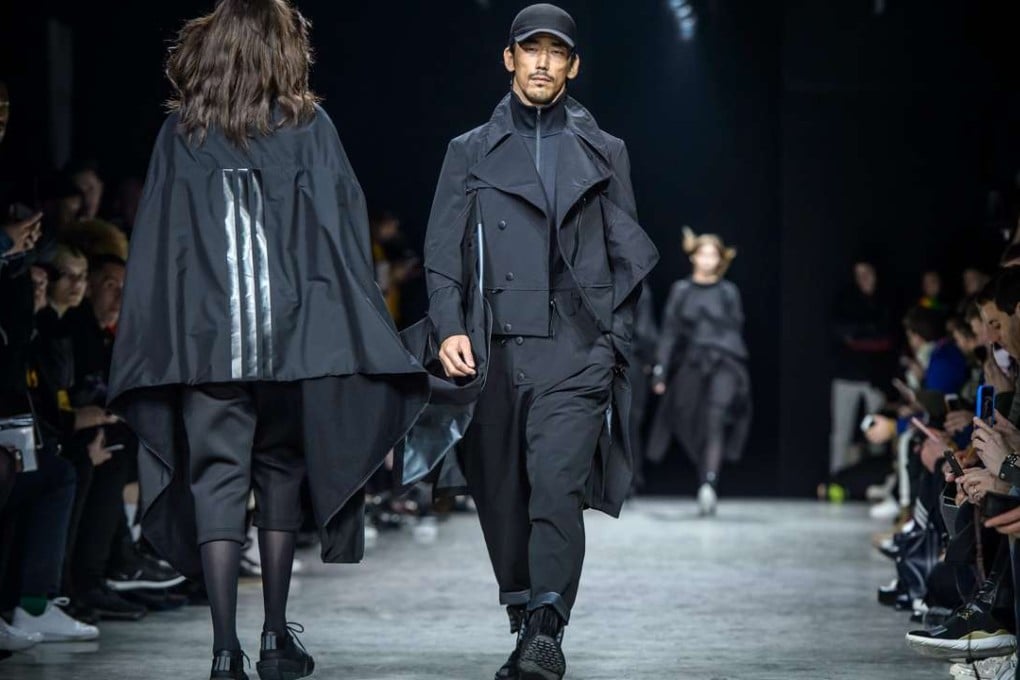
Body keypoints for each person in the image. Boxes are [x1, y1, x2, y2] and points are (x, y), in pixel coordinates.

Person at [106, 2, 429, 678]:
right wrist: (357, 335)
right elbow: (344, 243)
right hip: (293, 344)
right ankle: (276, 635)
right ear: (282, 49)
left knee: (217, 481)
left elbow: (157, 250)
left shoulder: (182, 134)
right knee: (280, 476)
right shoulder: (311, 128)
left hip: (207, 346)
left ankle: (225, 650)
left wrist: (150, 345)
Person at [418, 5, 657, 679]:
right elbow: (441, 253)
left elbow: (627, 255)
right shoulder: (468, 151)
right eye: (532, 49)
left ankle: (548, 625)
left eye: (556, 52)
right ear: (510, 58)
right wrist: (449, 326)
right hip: (493, 346)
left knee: (556, 487)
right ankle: (525, 621)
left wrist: (613, 343)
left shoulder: (606, 151)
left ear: (573, 66)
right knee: (503, 498)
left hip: (575, 349)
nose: (543, 62)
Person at [647, 227, 752, 516]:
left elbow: (736, 328)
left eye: (713, 255)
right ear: (693, 256)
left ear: (720, 260)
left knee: (715, 417)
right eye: (703, 254)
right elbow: (669, 333)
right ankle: (706, 467)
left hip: (725, 361)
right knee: (684, 415)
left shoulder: (728, 292)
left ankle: (709, 482)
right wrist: (660, 371)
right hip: (693, 361)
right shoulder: (681, 291)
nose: (707, 260)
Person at [828, 259, 895, 474]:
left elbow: (888, 338)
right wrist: (870, 335)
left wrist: (860, 337)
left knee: (877, 432)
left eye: (867, 273)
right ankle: (836, 481)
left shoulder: (886, 300)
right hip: (846, 376)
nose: (863, 278)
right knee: (842, 433)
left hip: (876, 379)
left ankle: (876, 478)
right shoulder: (845, 300)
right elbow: (842, 333)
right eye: (859, 274)